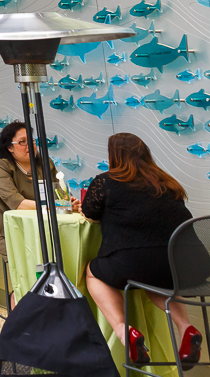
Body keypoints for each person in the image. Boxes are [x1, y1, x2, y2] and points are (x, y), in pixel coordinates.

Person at [80, 133, 202, 367]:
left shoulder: (106, 181)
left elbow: (89, 212)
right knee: (154, 277)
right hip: (188, 264)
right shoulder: (167, 182)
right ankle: (186, 328)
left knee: (93, 272)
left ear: (114, 156)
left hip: (138, 263)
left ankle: (124, 331)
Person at [0, 120, 57, 258]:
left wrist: (69, 203)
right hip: (14, 232)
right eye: (22, 142)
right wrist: (52, 206)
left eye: (31, 140)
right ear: (10, 147)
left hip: (47, 229)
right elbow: (17, 203)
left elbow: (59, 193)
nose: (30, 145)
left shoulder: (45, 163)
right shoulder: (2, 166)